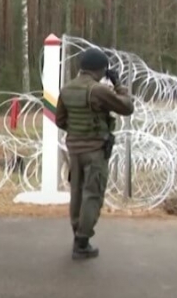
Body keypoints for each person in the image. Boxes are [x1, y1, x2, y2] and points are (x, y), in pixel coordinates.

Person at [55, 47, 134, 260]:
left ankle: (76, 233)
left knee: (77, 193)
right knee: (93, 194)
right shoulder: (97, 90)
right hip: (94, 150)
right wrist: (118, 84)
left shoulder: (67, 88)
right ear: (100, 70)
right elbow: (127, 107)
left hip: (74, 150)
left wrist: (78, 130)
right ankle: (82, 242)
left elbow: (60, 120)